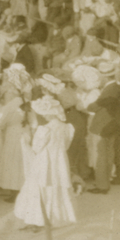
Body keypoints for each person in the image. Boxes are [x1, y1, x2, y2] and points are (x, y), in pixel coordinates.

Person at [15, 96, 77, 231]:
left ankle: (38, 219)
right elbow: (66, 145)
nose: (43, 116)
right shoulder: (67, 127)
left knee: (39, 187)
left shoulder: (45, 129)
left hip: (44, 161)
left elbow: (36, 148)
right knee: (55, 186)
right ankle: (53, 218)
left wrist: (26, 142)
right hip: (59, 161)